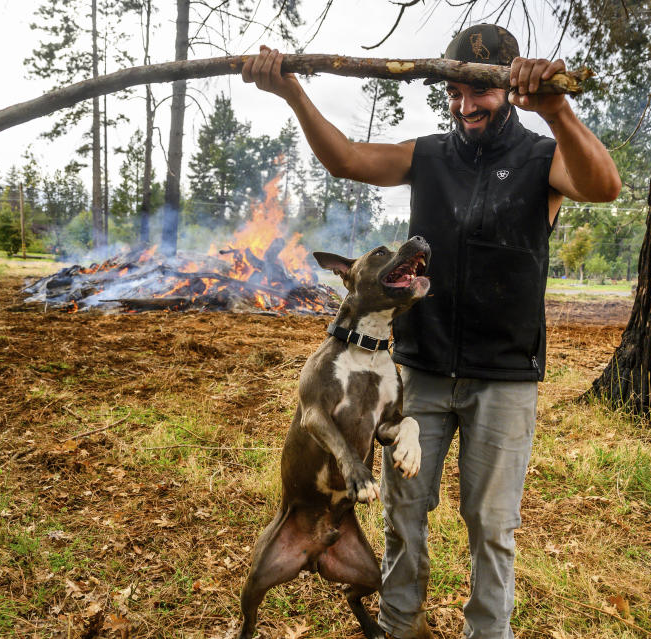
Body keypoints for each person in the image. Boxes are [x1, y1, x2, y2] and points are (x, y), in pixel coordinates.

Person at [242, 24, 620, 639]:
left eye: (481, 91)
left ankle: (486, 633)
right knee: (404, 513)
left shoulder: (541, 159)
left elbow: (604, 186)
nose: (465, 104)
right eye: (454, 91)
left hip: (506, 375)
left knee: (492, 524)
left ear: (505, 86)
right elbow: (345, 159)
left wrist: (556, 109)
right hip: (420, 369)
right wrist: (293, 94)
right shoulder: (428, 156)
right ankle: (399, 625)